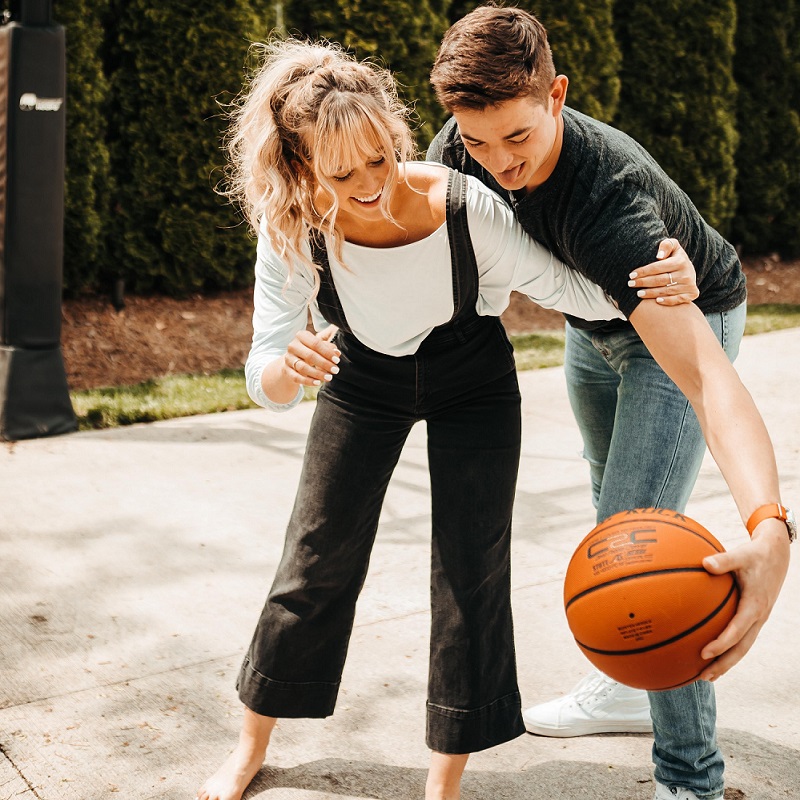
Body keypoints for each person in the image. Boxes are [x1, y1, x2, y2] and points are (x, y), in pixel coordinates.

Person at [196, 37, 694, 800]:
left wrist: (659, 274)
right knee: (314, 561)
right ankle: (248, 747)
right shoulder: (292, 227)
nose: (368, 185)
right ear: (302, 171)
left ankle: (444, 784)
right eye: (341, 172)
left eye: (379, 160)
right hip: (359, 379)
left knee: (471, 572)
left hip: (473, 381)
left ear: (394, 140)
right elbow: (265, 372)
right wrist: (283, 369)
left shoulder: (466, 211)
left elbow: (572, 288)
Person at [428, 6, 793, 800]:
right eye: (479, 143)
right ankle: (626, 691)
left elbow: (705, 379)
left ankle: (691, 780)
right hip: (591, 327)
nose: (498, 164)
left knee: (641, 552)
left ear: (556, 94)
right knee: (610, 502)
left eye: (518, 138)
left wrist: (772, 527)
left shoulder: (608, 202)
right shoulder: (455, 153)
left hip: (681, 315)